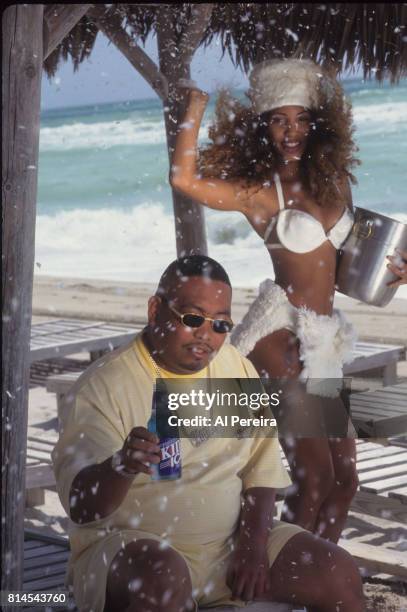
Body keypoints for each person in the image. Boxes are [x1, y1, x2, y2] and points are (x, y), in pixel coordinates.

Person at [52, 255, 365, 612]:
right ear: (155, 310)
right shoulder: (104, 385)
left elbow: (260, 471)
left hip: (227, 548)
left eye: (220, 324)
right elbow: (81, 506)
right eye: (192, 318)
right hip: (133, 553)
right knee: (161, 577)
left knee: (337, 573)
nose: (206, 334)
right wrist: (120, 468)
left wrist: (253, 544)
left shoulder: (232, 367)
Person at [170, 58, 365, 544]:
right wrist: (194, 108)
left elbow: (342, 269)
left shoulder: (334, 180)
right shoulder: (260, 194)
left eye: (300, 119)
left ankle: (317, 571)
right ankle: (287, 575)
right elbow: (184, 181)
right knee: (315, 479)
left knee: (344, 483)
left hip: (324, 340)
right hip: (280, 335)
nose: (292, 131)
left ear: (317, 124)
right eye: (279, 120)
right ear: (264, 127)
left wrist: (397, 275)